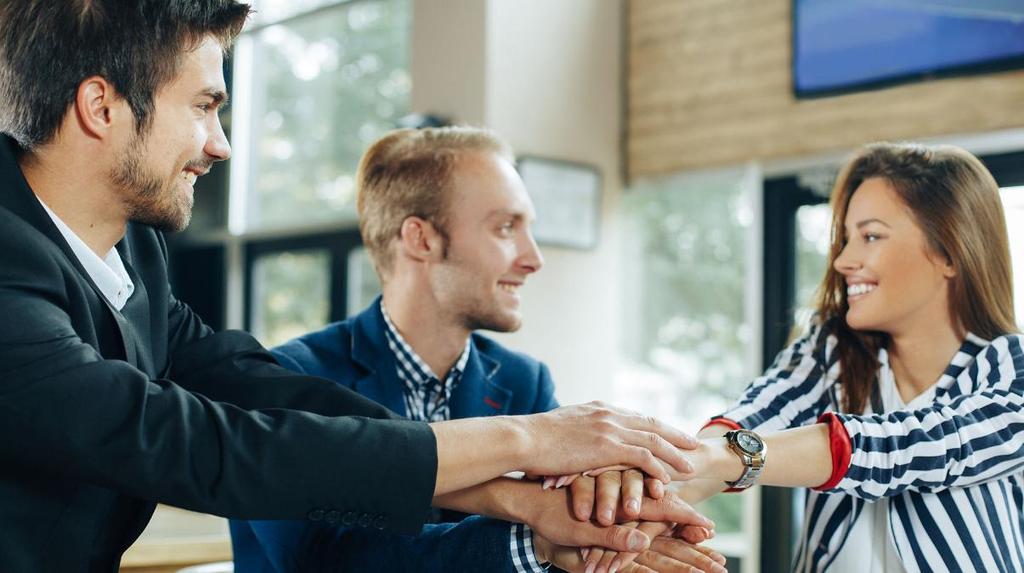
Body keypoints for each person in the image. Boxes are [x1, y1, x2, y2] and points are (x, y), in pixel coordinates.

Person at [0, 2, 710, 570]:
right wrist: (526, 439)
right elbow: (200, 444)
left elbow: (250, 383)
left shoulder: (135, 250)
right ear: (101, 106)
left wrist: (518, 500)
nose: (219, 143)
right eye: (204, 105)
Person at [231, 126, 727, 573]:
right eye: (505, 227)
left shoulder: (523, 380)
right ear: (421, 239)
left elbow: (570, 528)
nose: (533, 258)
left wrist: (618, 523)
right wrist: (535, 543)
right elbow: (325, 560)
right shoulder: (290, 380)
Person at [574, 142, 1023, 573]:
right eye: (845, 238)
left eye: (870, 236)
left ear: (949, 251)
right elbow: (751, 417)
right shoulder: (831, 352)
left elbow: (915, 447)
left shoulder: (1011, 372)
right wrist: (646, 497)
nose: (844, 260)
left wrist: (725, 458)